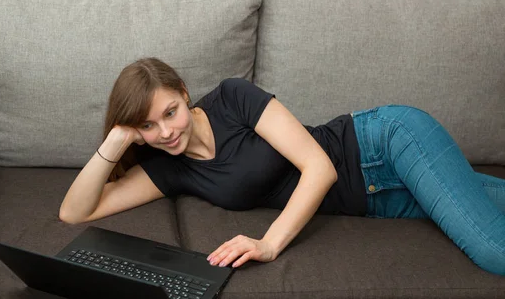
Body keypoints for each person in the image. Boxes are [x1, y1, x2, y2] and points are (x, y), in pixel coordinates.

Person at [59, 57, 505, 275]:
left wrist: (269, 244)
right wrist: (118, 138)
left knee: (493, 250)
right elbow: (76, 212)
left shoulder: (232, 98)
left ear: (184, 92)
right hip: (380, 200)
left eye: (170, 112)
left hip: (384, 143)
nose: (166, 132)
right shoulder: (169, 167)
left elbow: (319, 166)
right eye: (148, 126)